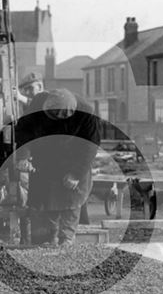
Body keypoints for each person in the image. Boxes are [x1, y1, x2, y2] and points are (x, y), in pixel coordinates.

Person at [14, 88, 100, 246]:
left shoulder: (87, 112)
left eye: (62, 116)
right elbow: (24, 131)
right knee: (44, 201)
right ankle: (46, 240)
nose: (57, 120)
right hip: (45, 160)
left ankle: (66, 240)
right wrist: (23, 157)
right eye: (53, 115)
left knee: (71, 204)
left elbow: (90, 147)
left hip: (74, 161)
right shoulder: (38, 102)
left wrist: (76, 174)